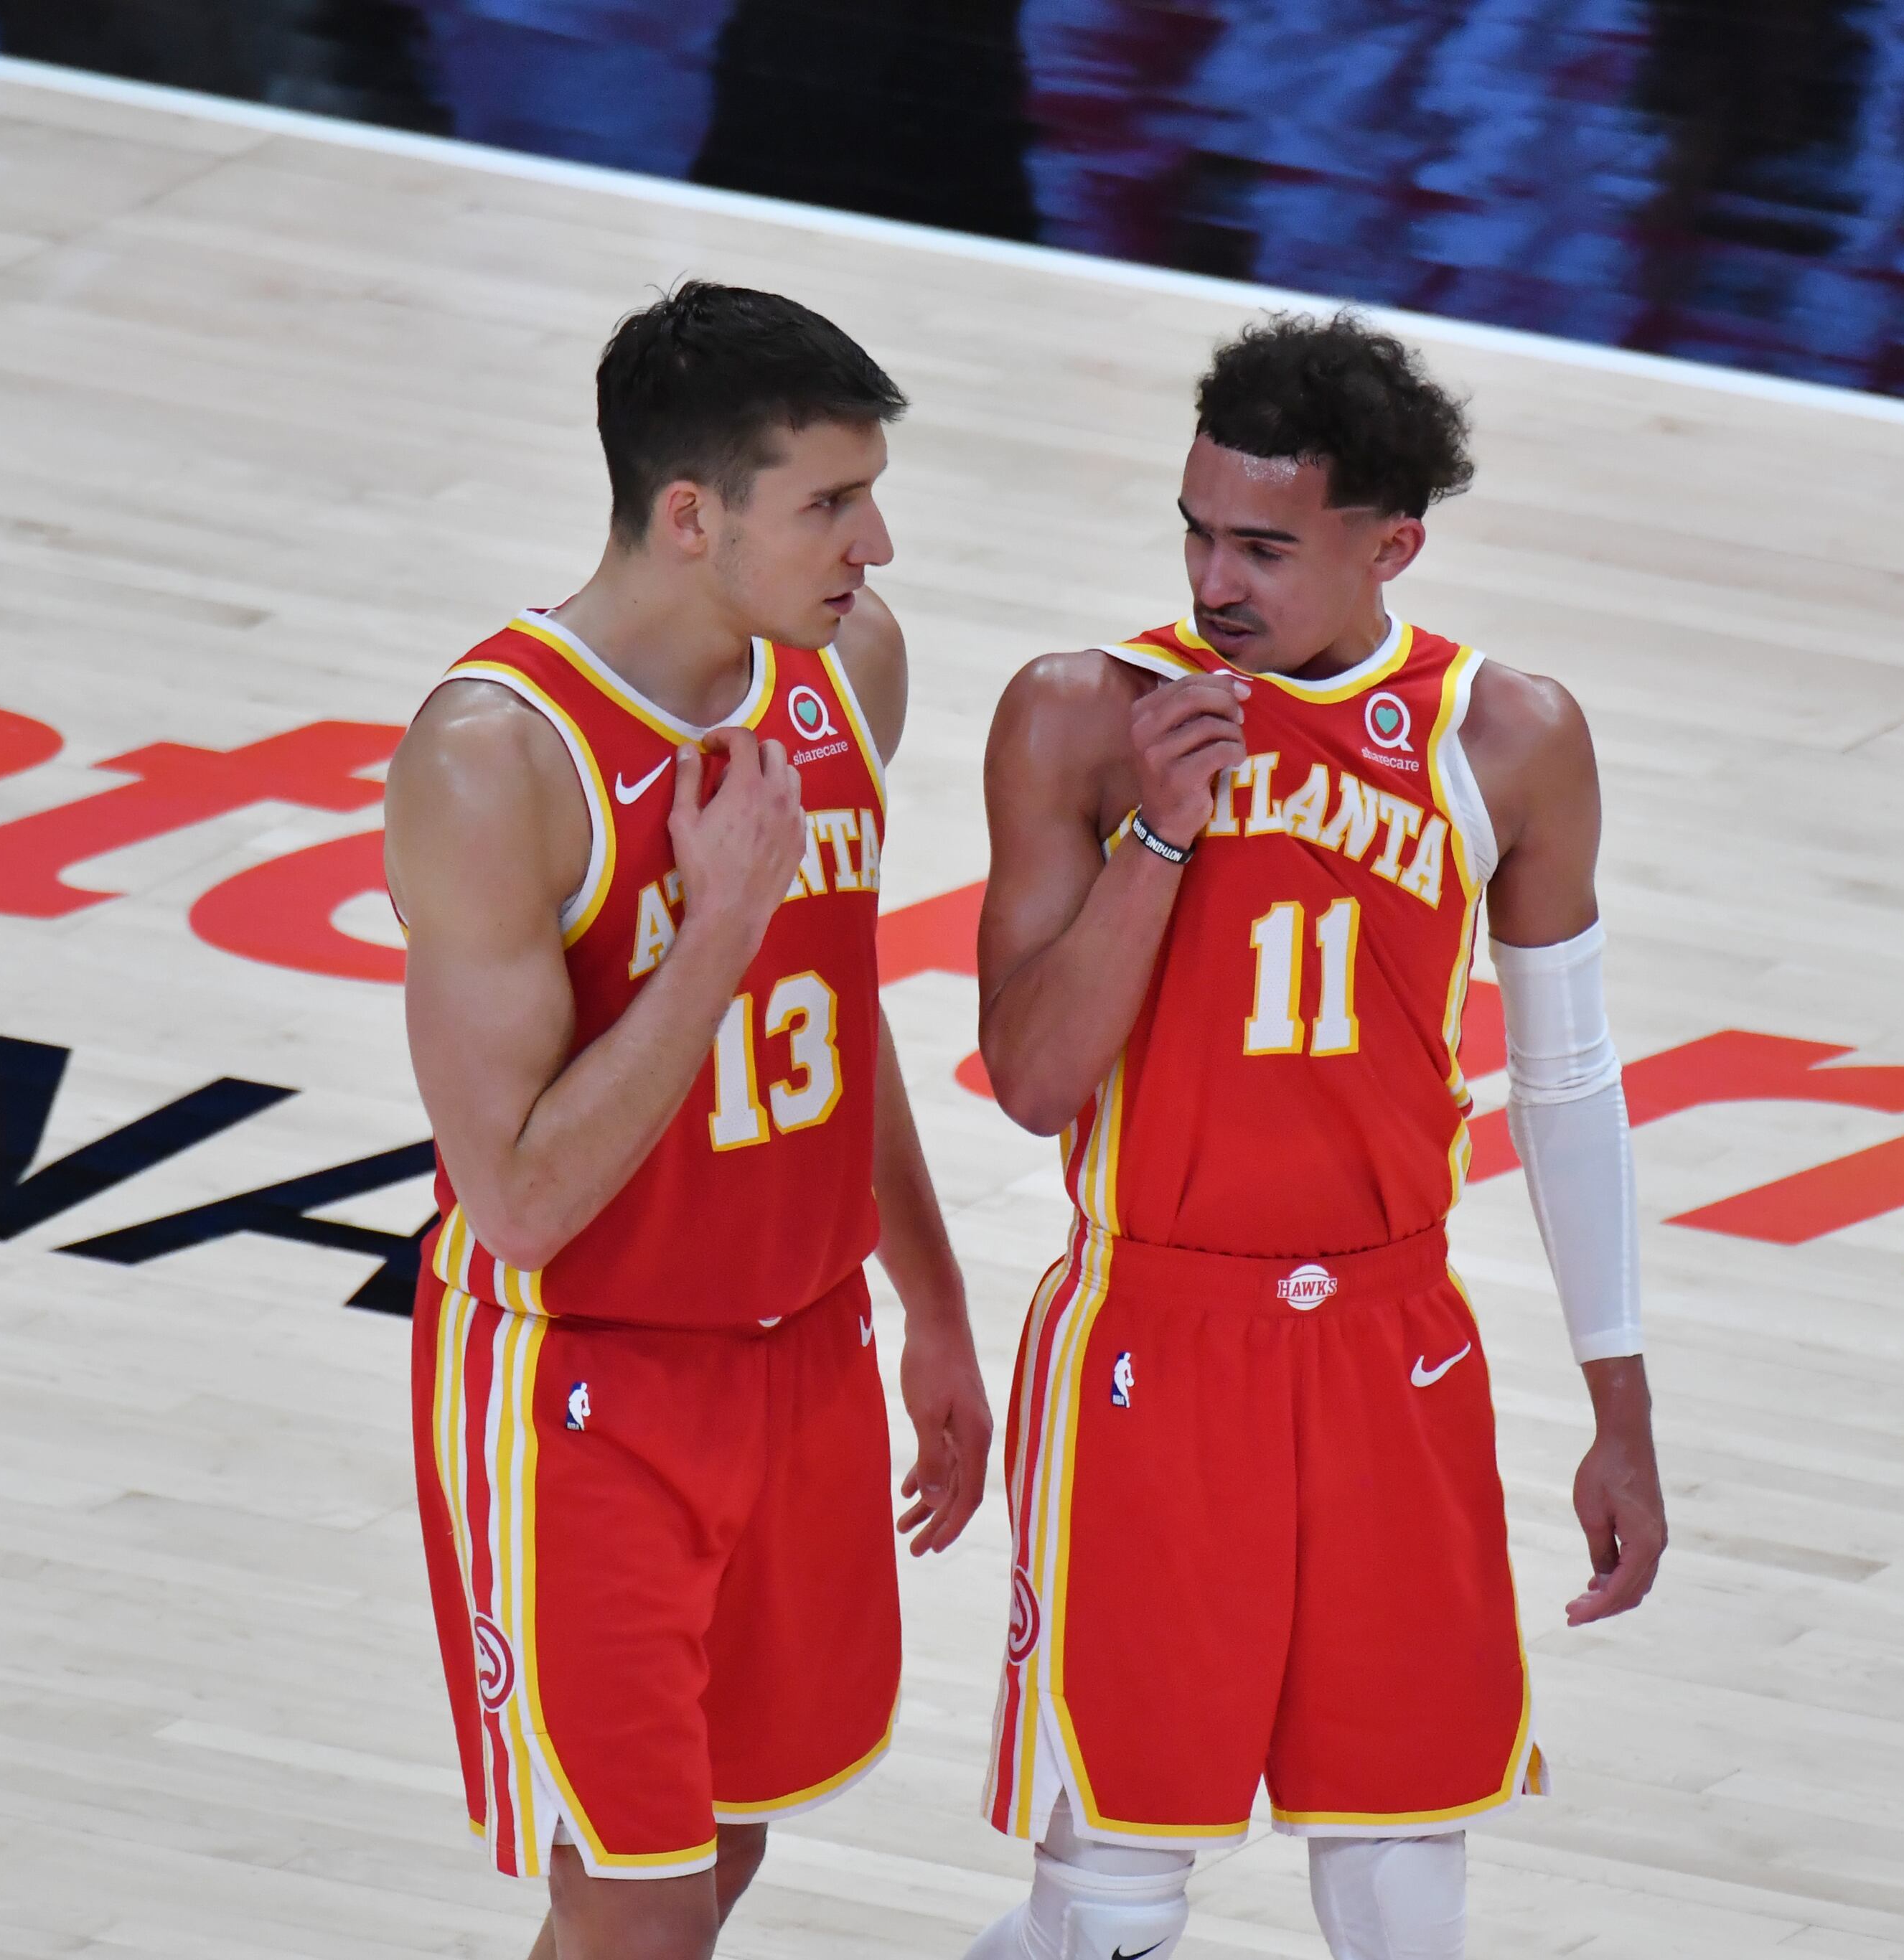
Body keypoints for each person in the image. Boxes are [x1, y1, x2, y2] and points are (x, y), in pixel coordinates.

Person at [966, 313, 1665, 1960]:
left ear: (1393, 543)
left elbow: (1566, 1082)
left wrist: (1619, 1402)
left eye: (1266, 545)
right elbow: (1036, 1078)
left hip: (1387, 1340)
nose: (1218, 578)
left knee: (1405, 1883)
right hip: (1150, 1330)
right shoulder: (1084, 711)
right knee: (1115, 1897)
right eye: (1198, 530)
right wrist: (1160, 835)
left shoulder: (1510, 738)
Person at [385, 281, 993, 1960]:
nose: (876, 543)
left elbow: (840, 1013)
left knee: (711, 1863)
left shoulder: (846, 670)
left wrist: (932, 1303)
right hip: (588, 1380)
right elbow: (514, 1198)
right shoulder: (494, 759)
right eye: (830, 502)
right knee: (640, 1907)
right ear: (686, 515)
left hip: (802, 1359)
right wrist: (714, 924)